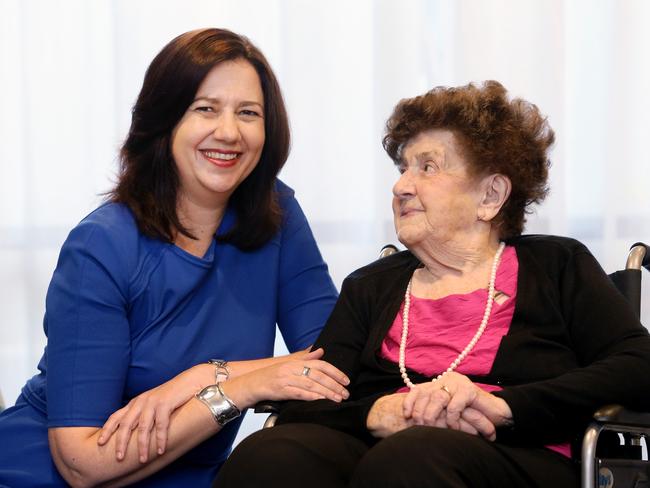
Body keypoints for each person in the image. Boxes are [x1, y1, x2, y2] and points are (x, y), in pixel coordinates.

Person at [215, 80, 650, 488]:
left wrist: (505, 406)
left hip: (519, 454)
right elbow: (308, 400)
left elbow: (637, 363)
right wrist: (375, 412)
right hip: (385, 450)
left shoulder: (556, 265)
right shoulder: (371, 286)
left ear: (490, 196)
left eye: (428, 168)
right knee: (270, 455)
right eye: (404, 168)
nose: (401, 186)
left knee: (411, 458)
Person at [0, 28, 351, 487]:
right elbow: (81, 463)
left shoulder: (276, 215)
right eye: (205, 109)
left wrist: (205, 376)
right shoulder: (101, 245)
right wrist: (233, 388)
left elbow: (331, 361)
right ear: (164, 122)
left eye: (248, 113)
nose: (229, 132)